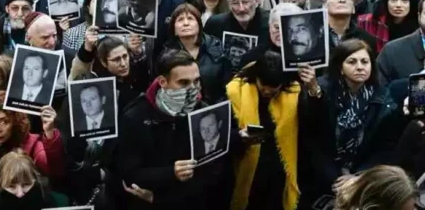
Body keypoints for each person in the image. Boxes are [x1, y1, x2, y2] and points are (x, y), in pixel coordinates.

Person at [117, 50, 231, 209]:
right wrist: (170, 173)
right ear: (163, 82)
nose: (193, 89)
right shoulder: (135, 116)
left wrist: (162, 199)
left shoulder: (203, 112)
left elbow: (211, 171)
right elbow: (128, 173)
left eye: (196, 81)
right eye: (184, 83)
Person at [299, 39, 403, 204]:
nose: (360, 67)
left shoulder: (383, 97)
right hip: (322, 178)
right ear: (340, 67)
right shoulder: (323, 90)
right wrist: (337, 179)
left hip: (363, 178)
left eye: (365, 61)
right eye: (352, 62)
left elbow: (384, 147)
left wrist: (357, 177)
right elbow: (314, 140)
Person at [226, 50, 303, 210]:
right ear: (256, 78)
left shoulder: (295, 93)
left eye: (273, 89)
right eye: (263, 87)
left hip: (278, 174)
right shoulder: (235, 92)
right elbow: (221, 135)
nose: (267, 92)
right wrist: (239, 136)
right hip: (246, 171)